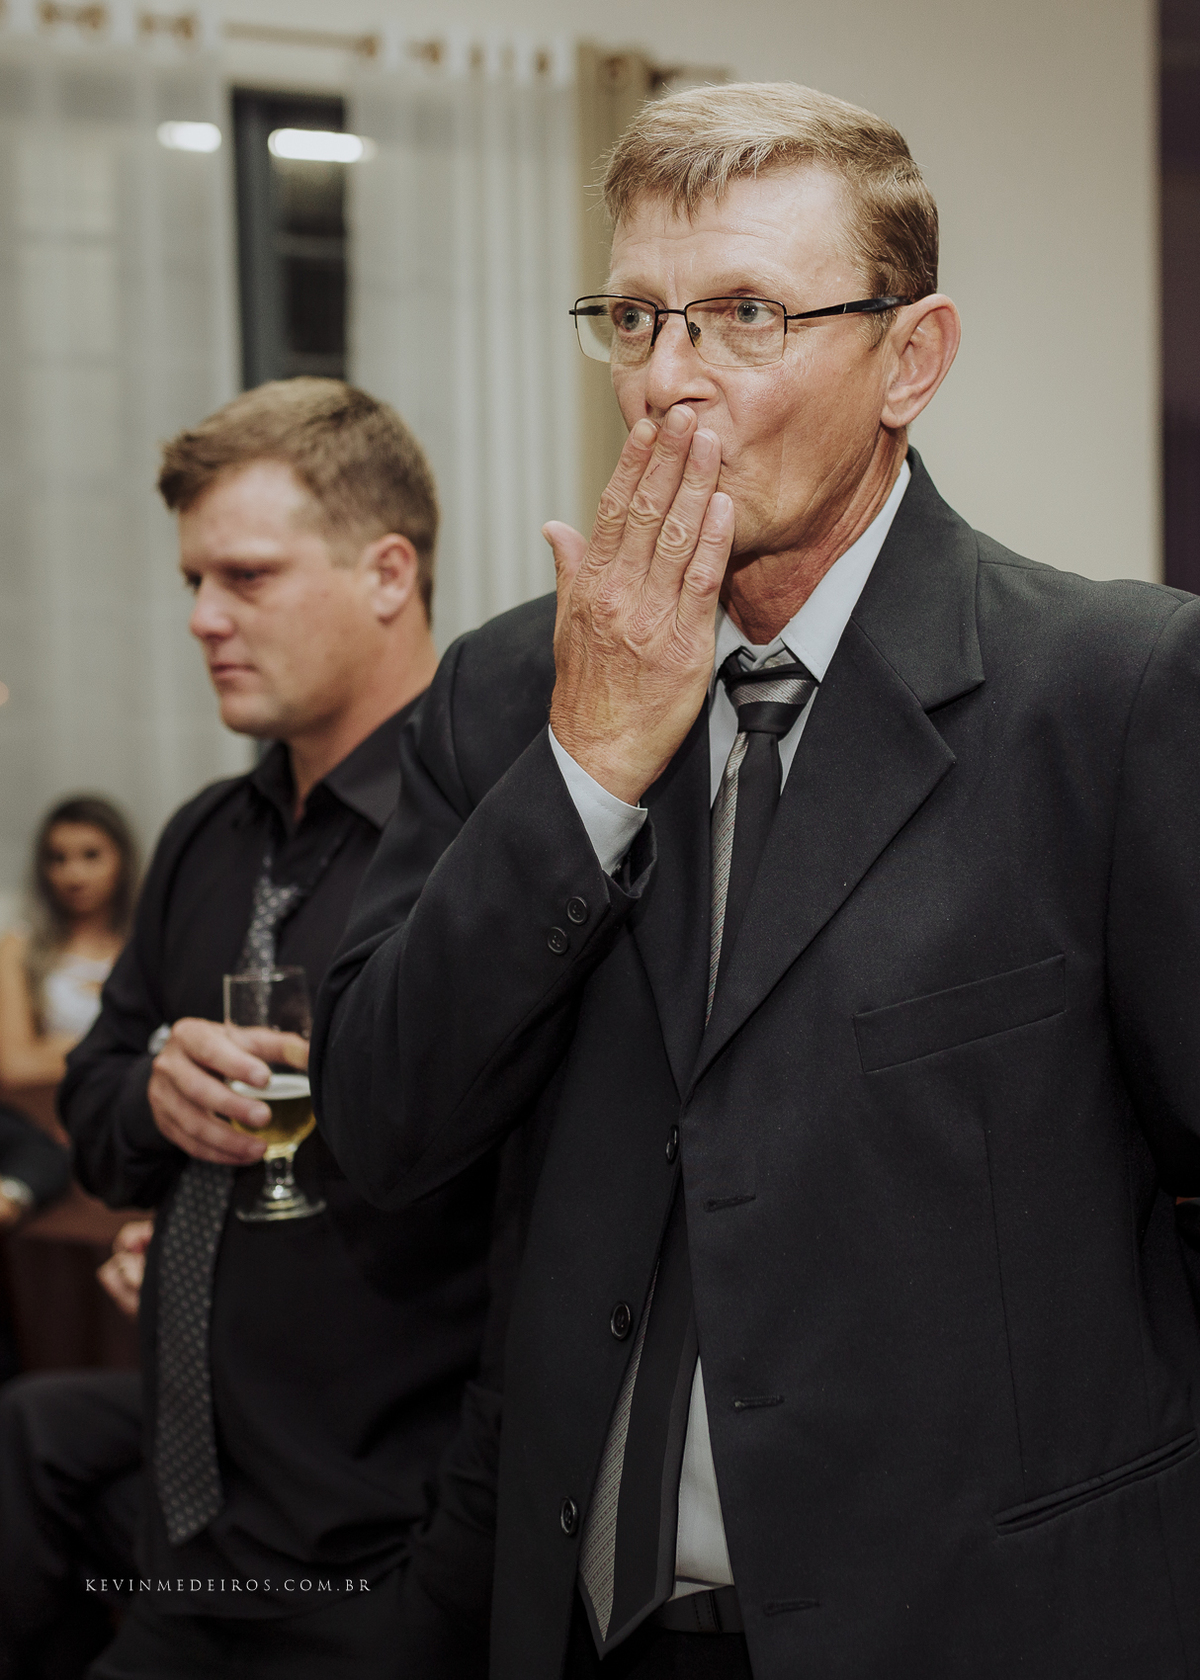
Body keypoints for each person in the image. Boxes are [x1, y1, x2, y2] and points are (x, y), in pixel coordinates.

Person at [313, 82, 1200, 1680]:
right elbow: (384, 1135)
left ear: (908, 361)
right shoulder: (512, 690)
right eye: (635, 319)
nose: (669, 385)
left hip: (988, 1625)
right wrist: (589, 768)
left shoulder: (1113, 691)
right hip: (595, 1626)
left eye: (739, 317)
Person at [54, 377, 497, 1679]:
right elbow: (95, 1110)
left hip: (387, 1563)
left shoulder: (485, 848)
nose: (202, 619)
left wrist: (448, 1585)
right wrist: (151, 1099)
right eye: (193, 580)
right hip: (193, 1536)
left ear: (387, 572)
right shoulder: (203, 836)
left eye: (245, 576)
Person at [0, 797, 138, 1089]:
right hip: (46, 1124)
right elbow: (14, 1066)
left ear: (122, 860)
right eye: (58, 859)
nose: (74, 875)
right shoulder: (19, 946)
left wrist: (55, 1048)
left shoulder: (144, 946)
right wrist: (124, 1052)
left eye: (91, 856)